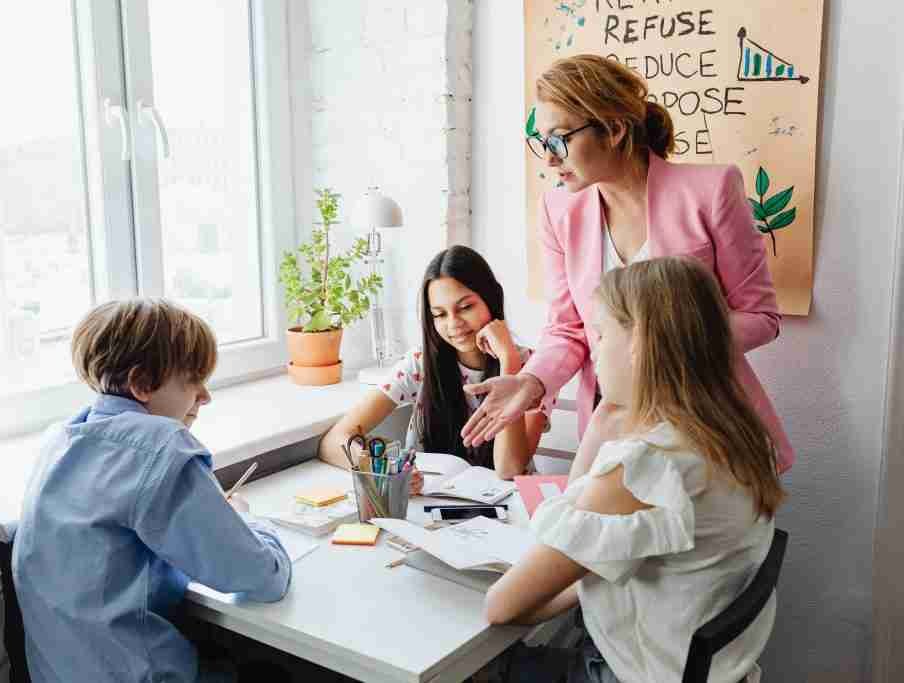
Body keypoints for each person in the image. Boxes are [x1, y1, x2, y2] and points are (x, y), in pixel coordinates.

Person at [461, 55, 793, 479]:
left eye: (559, 139)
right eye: (541, 142)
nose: (548, 159)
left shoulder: (711, 190)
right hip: (613, 425)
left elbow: (761, 316)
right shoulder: (558, 210)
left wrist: (666, 346)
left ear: (615, 129)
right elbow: (568, 328)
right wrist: (533, 382)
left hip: (704, 422)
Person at [485, 257, 784, 683]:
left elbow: (500, 606)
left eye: (602, 334)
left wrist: (551, 591)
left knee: (476, 666)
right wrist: (608, 413)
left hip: (625, 672)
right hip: (700, 669)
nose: (593, 349)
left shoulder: (649, 464)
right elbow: (578, 536)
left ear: (641, 342)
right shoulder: (734, 433)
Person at [13, 299, 292, 682]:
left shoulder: (60, 441)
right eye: (193, 379)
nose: (205, 396)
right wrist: (245, 520)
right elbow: (262, 578)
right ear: (142, 384)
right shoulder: (160, 447)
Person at [319, 245, 548, 480]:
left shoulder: (535, 370)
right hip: (435, 505)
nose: (453, 324)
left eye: (466, 307)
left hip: (511, 506)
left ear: (491, 299)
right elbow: (333, 442)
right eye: (440, 314)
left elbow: (510, 470)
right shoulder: (419, 365)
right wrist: (384, 472)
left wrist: (508, 361)